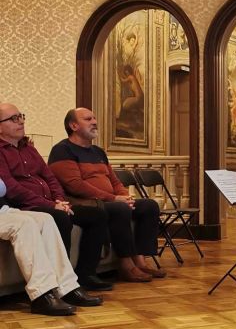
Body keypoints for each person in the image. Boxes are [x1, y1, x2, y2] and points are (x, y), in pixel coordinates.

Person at [0, 103, 112, 291]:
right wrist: (51, 205)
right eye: (13, 118)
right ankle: (61, 283)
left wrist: (60, 200)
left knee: (97, 215)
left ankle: (86, 274)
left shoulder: (29, 148)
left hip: (51, 203)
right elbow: (11, 188)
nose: (20, 122)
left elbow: (49, 177)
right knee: (60, 217)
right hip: (26, 206)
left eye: (21, 116)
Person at [48, 107, 165, 282]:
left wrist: (126, 197)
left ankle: (141, 260)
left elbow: (114, 180)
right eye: (88, 119)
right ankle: (126, 265)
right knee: (118, 208)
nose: (94, 122)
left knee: (149, 205)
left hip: (110, 200)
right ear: (73, 125)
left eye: (94, 118)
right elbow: (75, 186)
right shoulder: (63, 150)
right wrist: (114, 199)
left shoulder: (98, 152)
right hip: (86, 203)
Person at [0, 177, 103, 316]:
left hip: (3, 210)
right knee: (24, 224)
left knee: (46, 219)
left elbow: (2, 188)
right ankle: (41, 295)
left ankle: (67, 287)